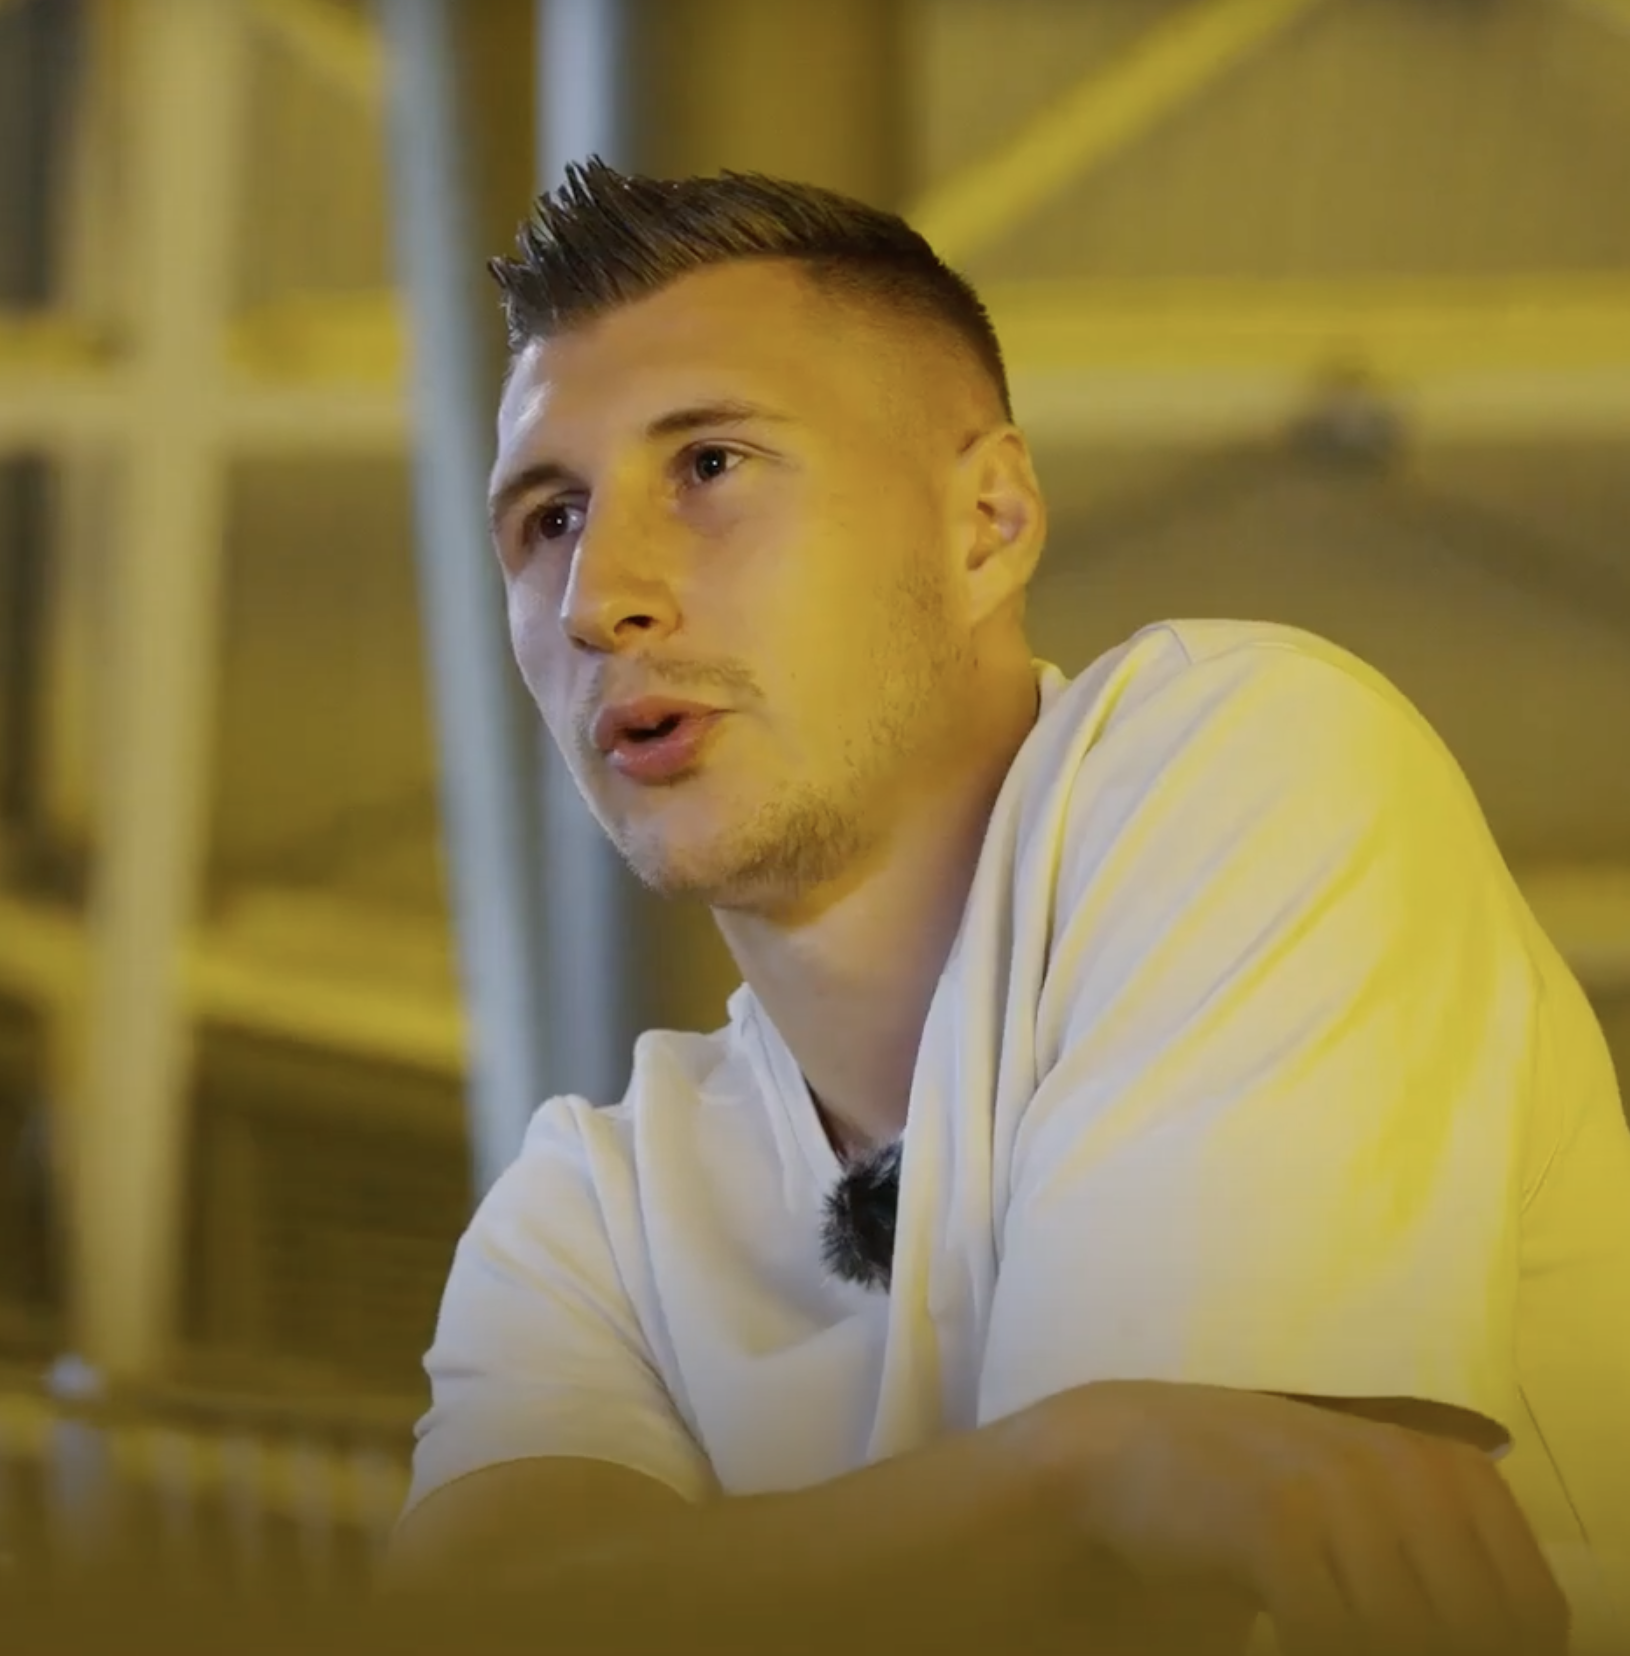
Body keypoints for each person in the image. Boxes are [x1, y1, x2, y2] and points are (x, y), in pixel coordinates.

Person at [384, 158, 1630, 1654]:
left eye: (710, 464)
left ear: (987, 521)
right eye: (550, 520)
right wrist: (1086, 1463)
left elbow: (1151, 1611)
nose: (601, 599)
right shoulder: (588, 1210)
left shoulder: (1244, 757)